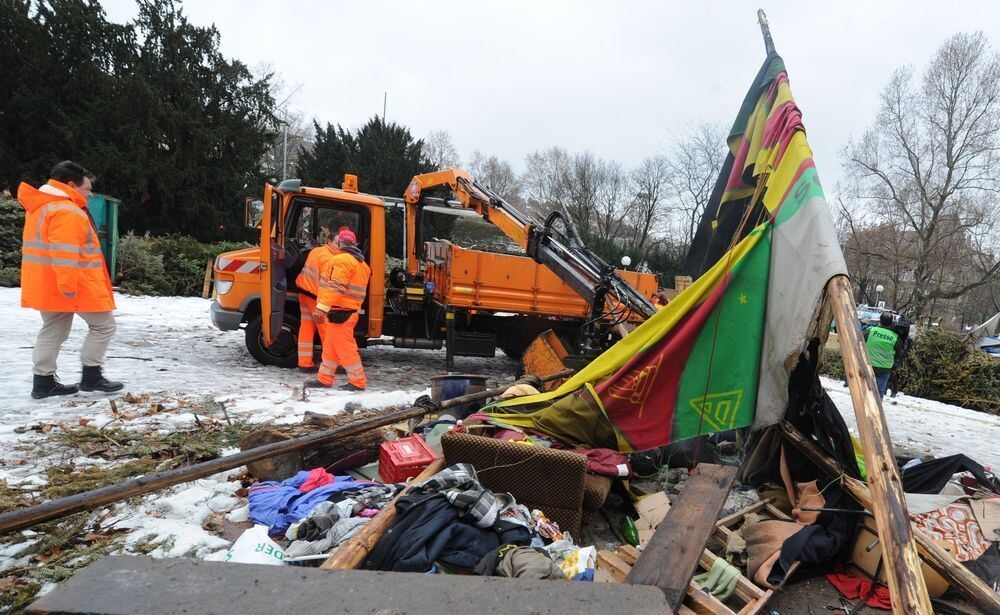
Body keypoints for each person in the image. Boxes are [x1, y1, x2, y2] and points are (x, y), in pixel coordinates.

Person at [18, 161, 123, 399]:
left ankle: (43, 381)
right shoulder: (66, 210)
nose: (90, 194)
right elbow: (64, 252)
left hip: (46, 283)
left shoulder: (40, 207)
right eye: (87, 189)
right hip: (74, 284)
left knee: (53, 329)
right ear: (71, 185)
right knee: (104, 326)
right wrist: (67, 287)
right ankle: (92, 376)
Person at [306, 229, 371, 391]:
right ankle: (324, 378)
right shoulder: (362, 264)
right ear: (355, 244)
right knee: (330, 347)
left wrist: (321, 308)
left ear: (340, 243)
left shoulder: (341, 260)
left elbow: (336, 287)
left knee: (344, 348)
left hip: (340, 311)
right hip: (347, 311)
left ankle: (358, 381)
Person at [293, 235, 339, 371]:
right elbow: (326, 285)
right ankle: (332, 364)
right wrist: (326, 304)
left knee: (306, 328)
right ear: (329, 242)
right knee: (326, 330)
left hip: (303, 293)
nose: (340, 245)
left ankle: (305, 363)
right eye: (337, 242)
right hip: (315, 297)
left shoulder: (316, 251)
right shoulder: (329, 259)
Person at [865, 311, 900, 399]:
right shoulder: (895, 337)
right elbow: (898, 355)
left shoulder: (870, 330)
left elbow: (859, 342)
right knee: (879, 392)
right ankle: (876, 410)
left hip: (868, 365)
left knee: (866, 389)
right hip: (885, 368)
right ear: (891, 322)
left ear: (880, 320)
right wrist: (895, 367)